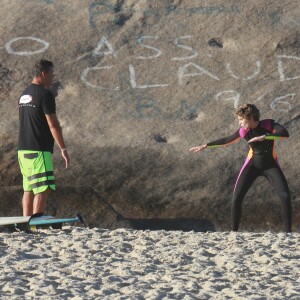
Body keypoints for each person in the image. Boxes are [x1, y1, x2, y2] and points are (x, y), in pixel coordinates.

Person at [189, 103, 292, 232]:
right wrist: (206, 145)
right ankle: (234, 233)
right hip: (252, 165)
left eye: (241, 120)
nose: (239, 123)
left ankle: (288, 233)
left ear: (250, 117)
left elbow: (284, 133)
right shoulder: (243, 131)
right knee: (236, 198)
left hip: (271, 166)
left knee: (285, 196)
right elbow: (227, 140)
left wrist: (264, 137)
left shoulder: (268, 125)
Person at [18, 59, 70, 216]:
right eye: (51, 73)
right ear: (43, 73)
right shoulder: (45, 94)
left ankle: (26, 223)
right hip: (39, 151)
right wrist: (63, 148)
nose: (53, 77)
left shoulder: (24, 93)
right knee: (44, 187)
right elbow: (53, 125)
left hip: (22, 150)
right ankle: (35, 224)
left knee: (29, 189)